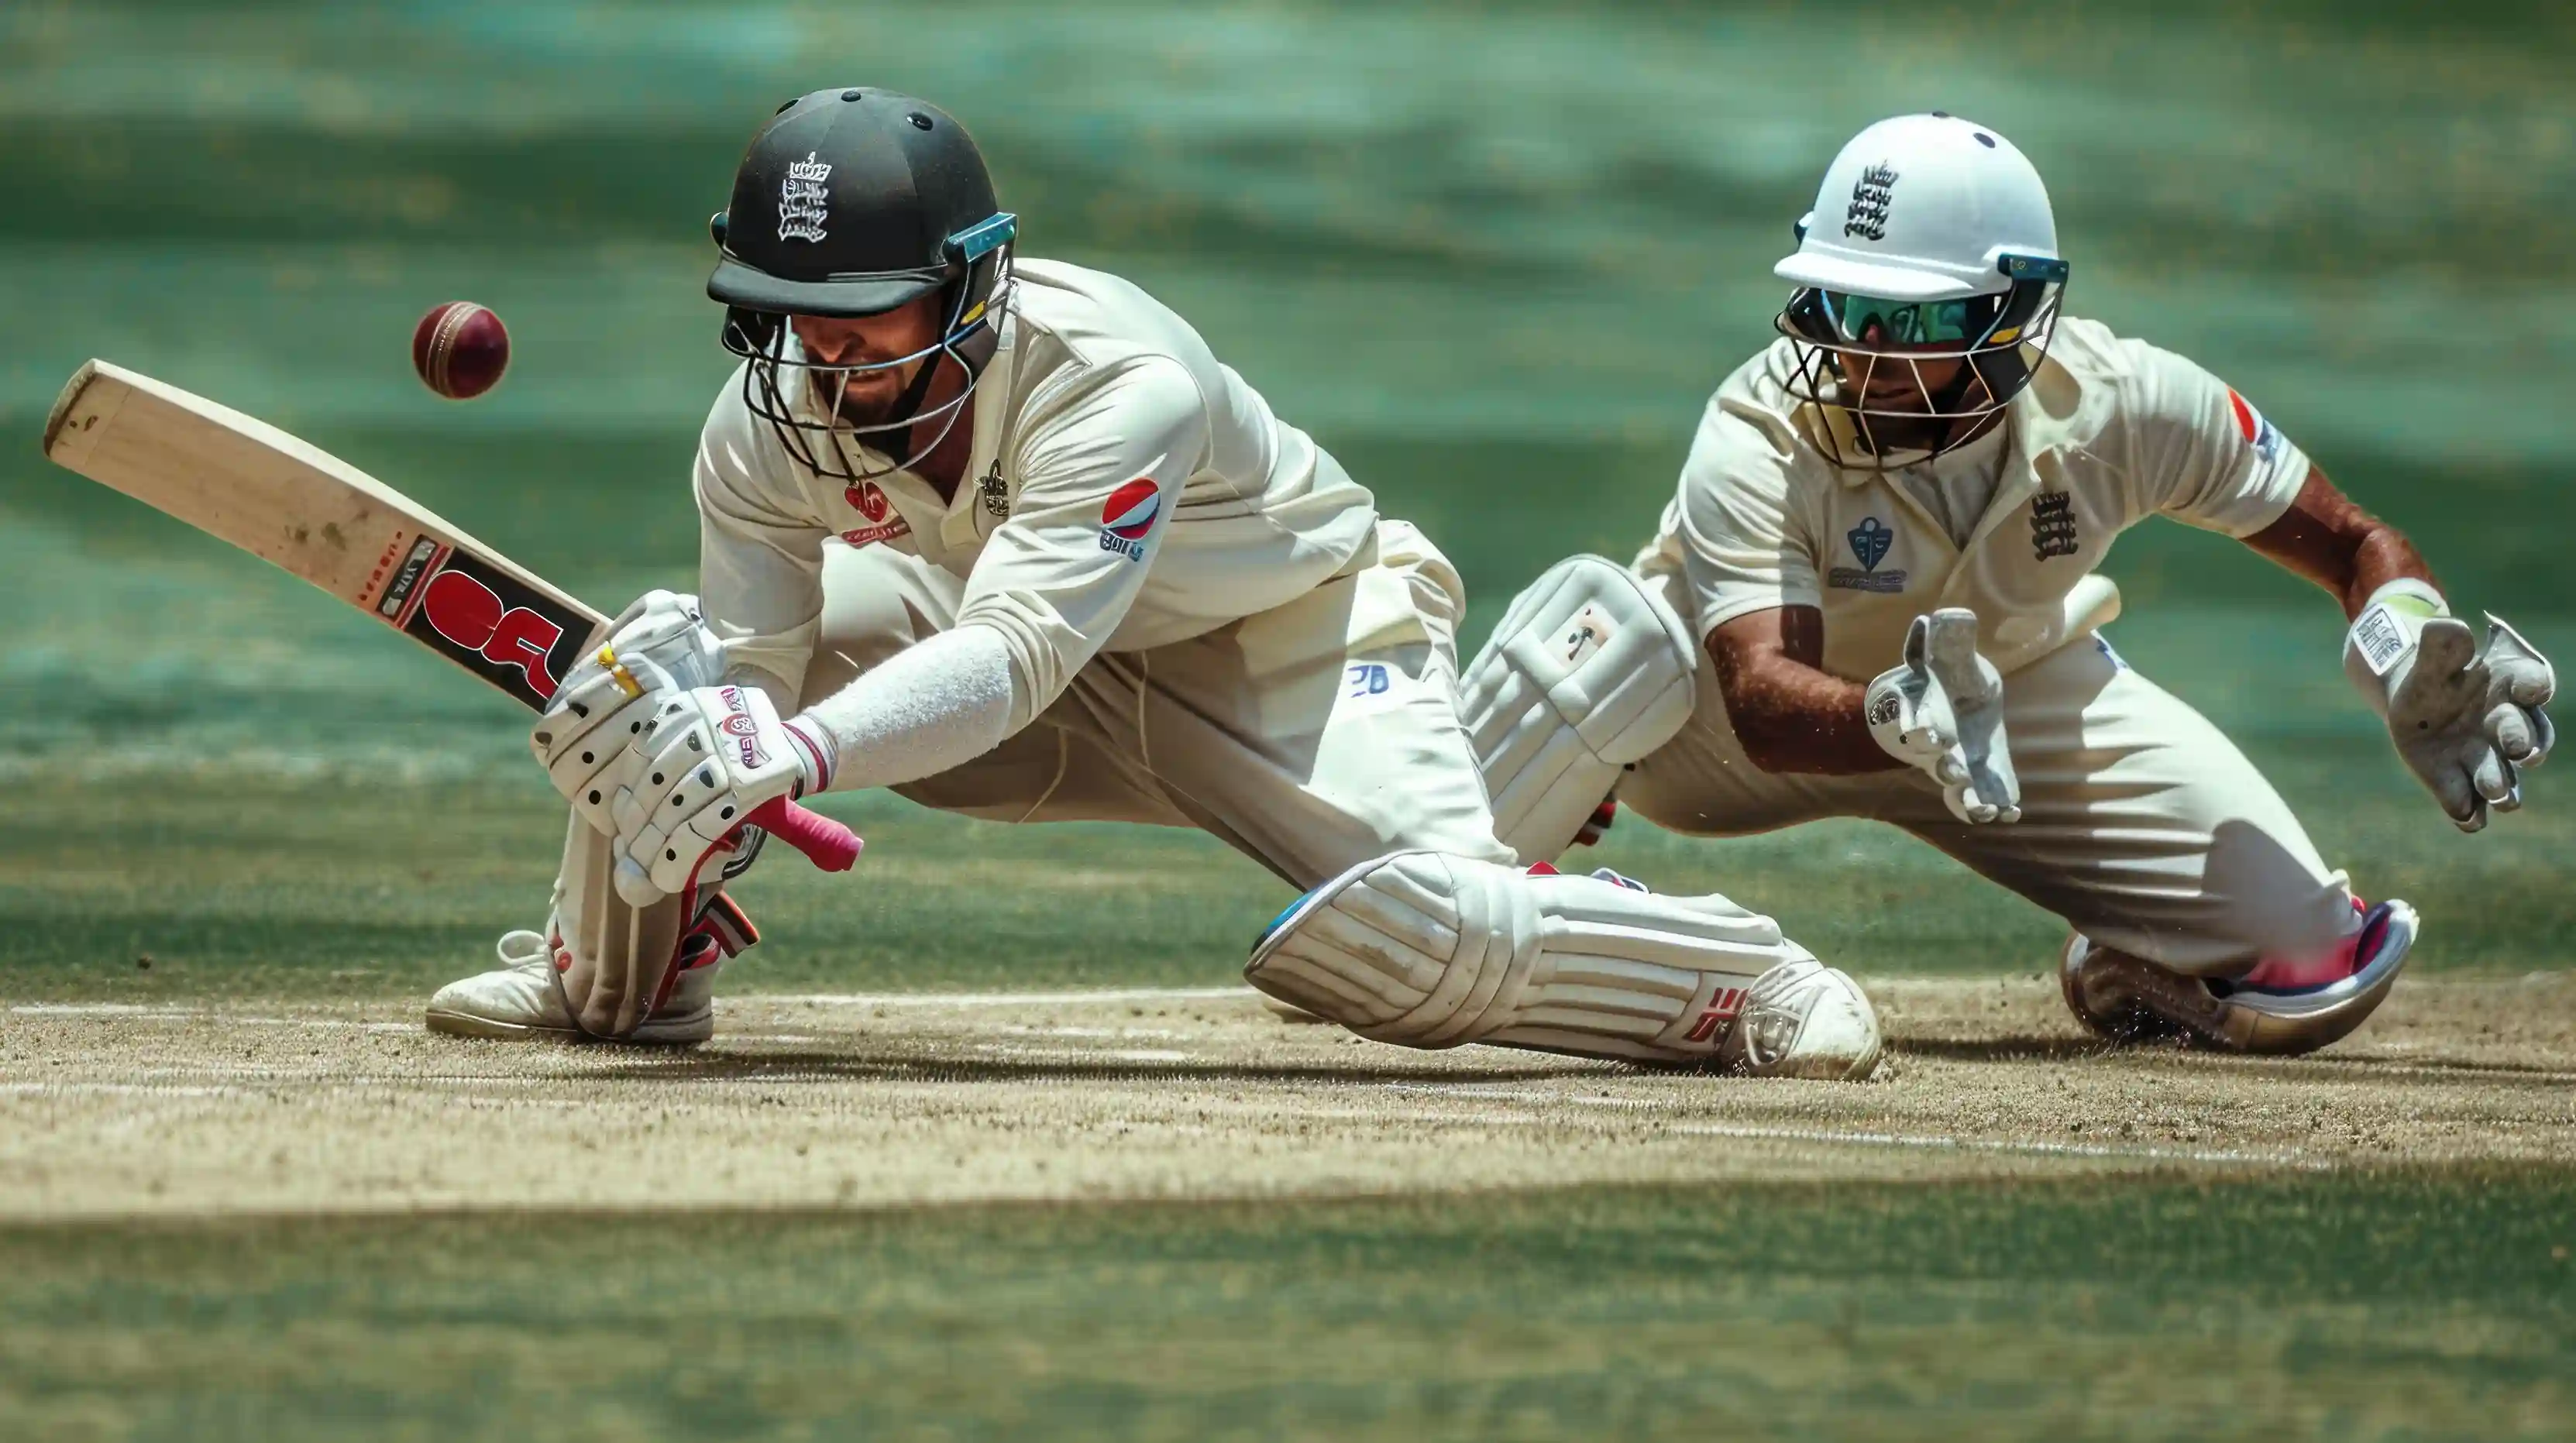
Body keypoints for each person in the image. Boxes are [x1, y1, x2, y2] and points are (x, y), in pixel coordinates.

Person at [421, 88, 1881, 1079]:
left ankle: (1750, 977)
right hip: (1016, 646)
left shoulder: (1123, 380)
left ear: (970, 286)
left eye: (866, 319)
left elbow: (1011, 652)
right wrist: (727, 731)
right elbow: (760, 665)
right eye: (794, 321)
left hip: (1281, 634)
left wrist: (796, 748)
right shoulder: (763, 425)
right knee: (665, 673)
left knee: (1425, 933)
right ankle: (621, 977)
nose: (828, 359)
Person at [1463, 112, 2555, 1055]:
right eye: (1847, 307)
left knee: (2315, 963)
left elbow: (2355, 542)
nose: (1867, 354)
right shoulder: (1760, 427)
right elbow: (1759, 694)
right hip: (1710, 736)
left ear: (2017, 314)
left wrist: (2404, 647)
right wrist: (1896, 717)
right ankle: (1443, 863)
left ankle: (2131, 966)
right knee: (1604, 630)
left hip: (2014, 711)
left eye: (1918, 320)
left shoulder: (2126, 402)